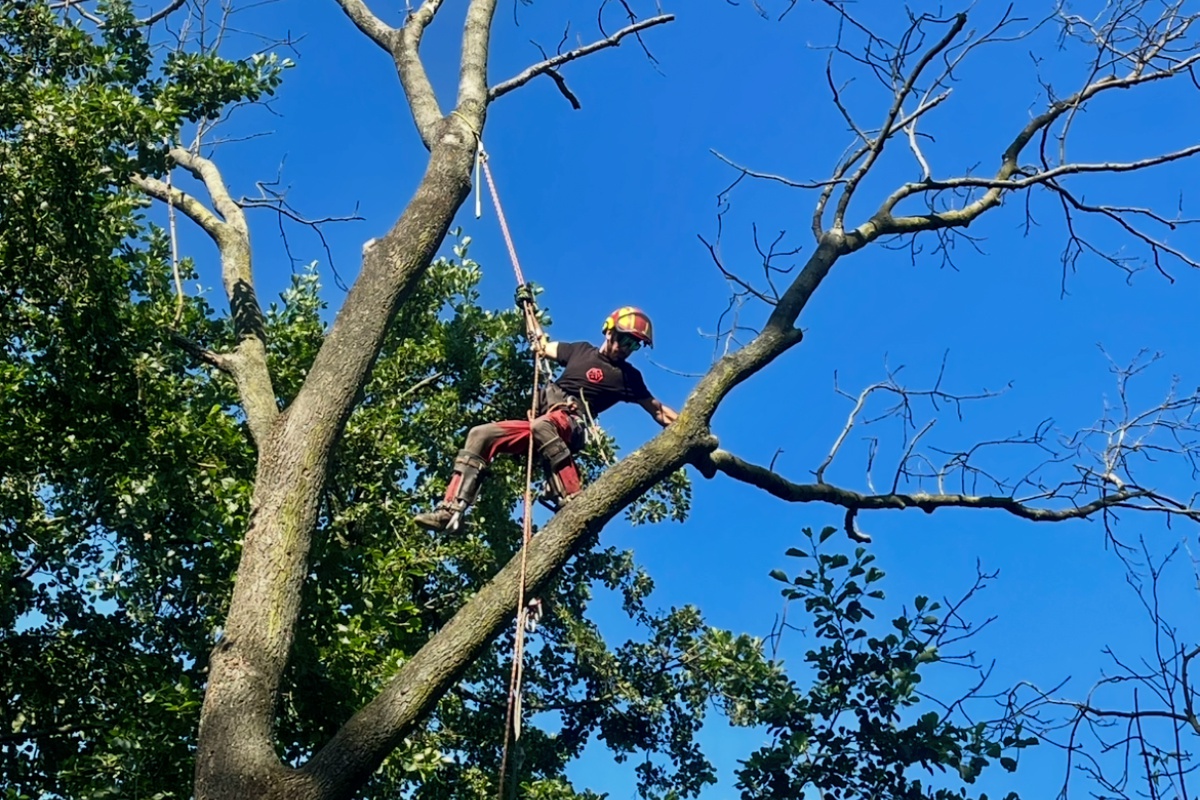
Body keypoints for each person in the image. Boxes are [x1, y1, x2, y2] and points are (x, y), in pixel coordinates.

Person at [414, 290, 678, 533]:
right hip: (544, 423)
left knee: (544, 425)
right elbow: (541, 345)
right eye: (624, 340)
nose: (626, 349)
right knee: (480, 434)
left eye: (634, 345)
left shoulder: (628, 377)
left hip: (570, 424)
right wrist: (527, 309)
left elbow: (658, 411)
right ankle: (451, 510)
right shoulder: (579, 350)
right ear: (609, 331)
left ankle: (572, 495)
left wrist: (687, 426)